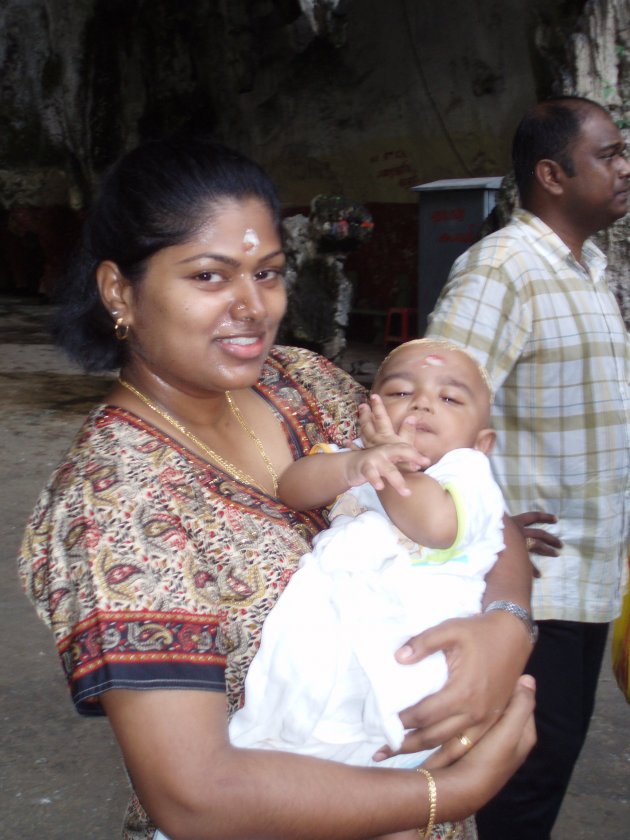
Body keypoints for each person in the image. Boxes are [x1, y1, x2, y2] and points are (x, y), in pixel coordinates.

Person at [17, 134, 536, 840]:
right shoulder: (114, 499)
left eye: (268, 273)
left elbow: (470, 499)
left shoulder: (306, 382)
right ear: (119, 291)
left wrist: (506, 625)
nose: (253, 306)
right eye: (209, 276)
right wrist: (450, 792)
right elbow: (196, 791)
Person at [425, 96, 630, 840]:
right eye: (608, 154)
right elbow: (432, 408)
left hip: (588, 581)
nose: (625, 167)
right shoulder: (503, 269)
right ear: (551, 174)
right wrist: (490, 521)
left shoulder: (589, 270)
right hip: (532, 589)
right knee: (520, 786)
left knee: (541, 775)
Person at [230, 338, 506, 780]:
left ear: (483, 441)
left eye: (450, 398)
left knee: (361, 748)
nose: (421, 404)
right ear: (369, 410)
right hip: (334, 626)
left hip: (411, 644)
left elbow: (434, 526)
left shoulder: (467, 473)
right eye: (400, 392)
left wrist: (390, 470)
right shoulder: (358, 455)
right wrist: (354, 465)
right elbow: (293, 489)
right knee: (286, 730)